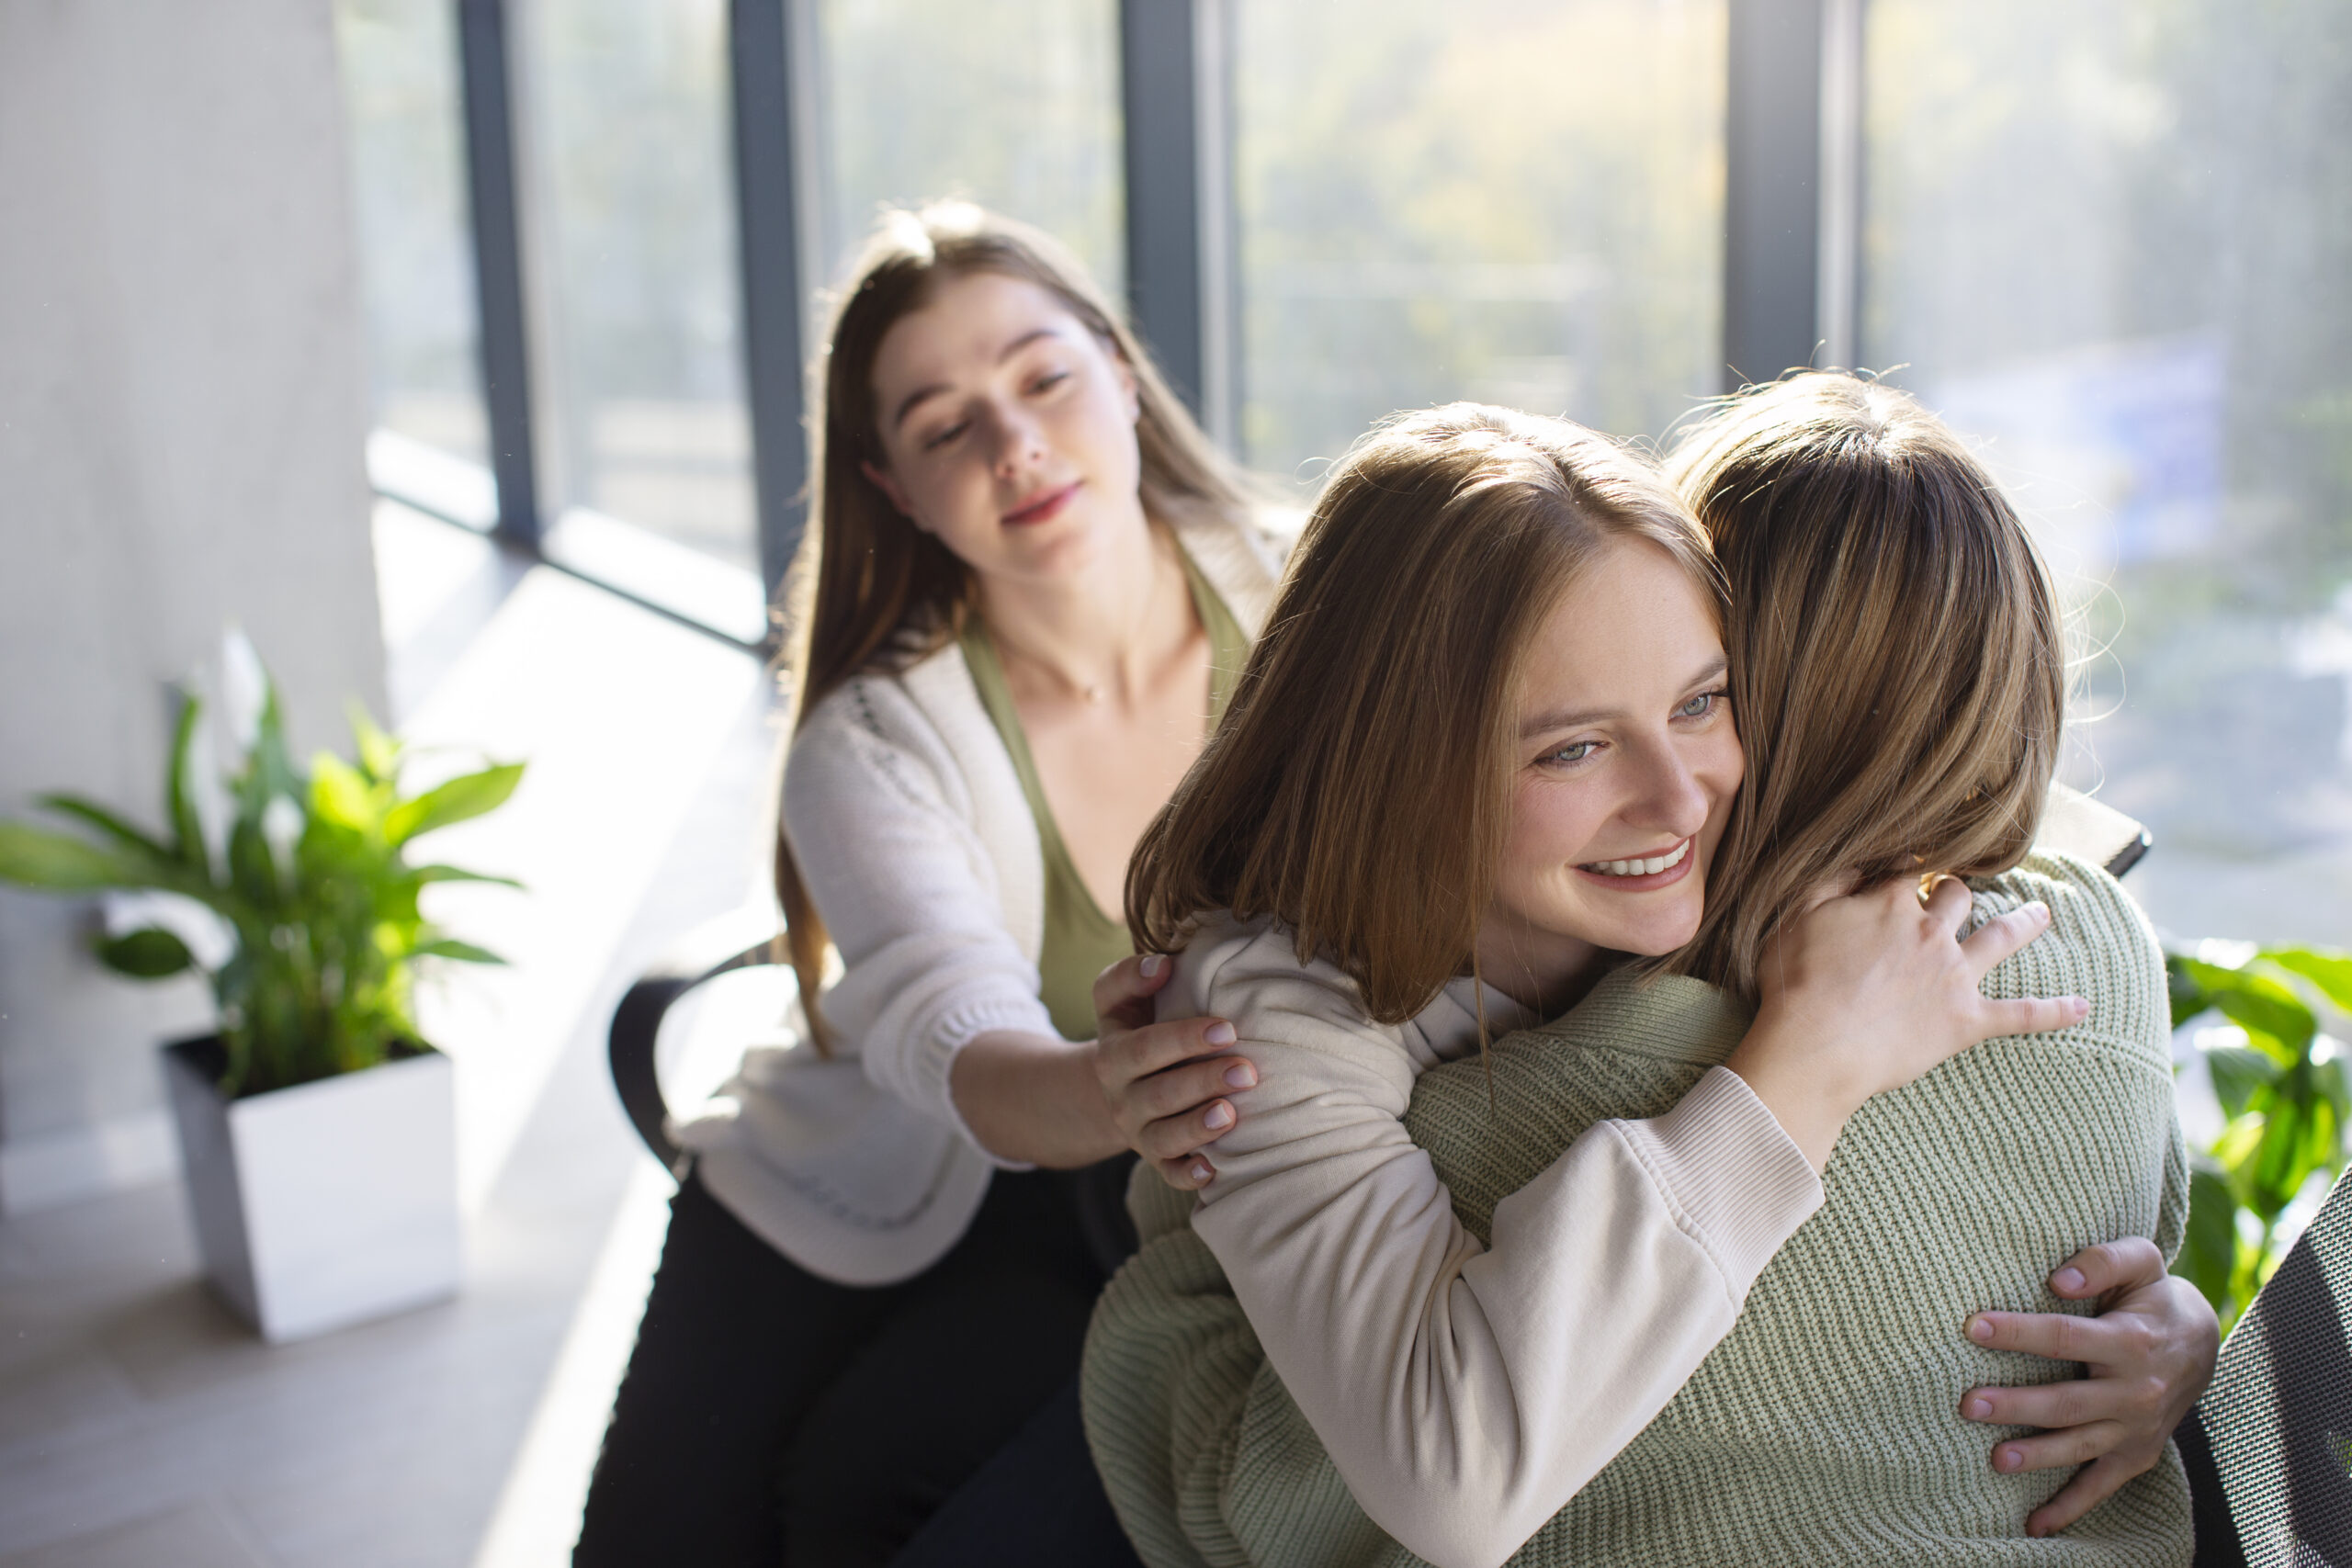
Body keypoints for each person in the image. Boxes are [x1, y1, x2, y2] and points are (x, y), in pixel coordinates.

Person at [1078, 394, 2209, 1568]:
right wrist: (1796, 1075)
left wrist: (2178, 1327)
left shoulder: (1771, 899)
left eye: (1701, 702)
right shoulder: (1295, 1011)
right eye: (1571, 746)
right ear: (1408, 762)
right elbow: (1448, 1483)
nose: (1678, 802)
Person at [574, 203, 1287, 1567]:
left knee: (857, 1493)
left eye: (1042, 377)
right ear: (895, 486)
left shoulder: (1318, 594)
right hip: (853, 1161)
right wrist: (1111, 1088)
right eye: (945, 424)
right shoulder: (875, 735)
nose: (1014, 443)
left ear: (1121, 376)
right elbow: (947, 1026)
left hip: (1084, 1209)